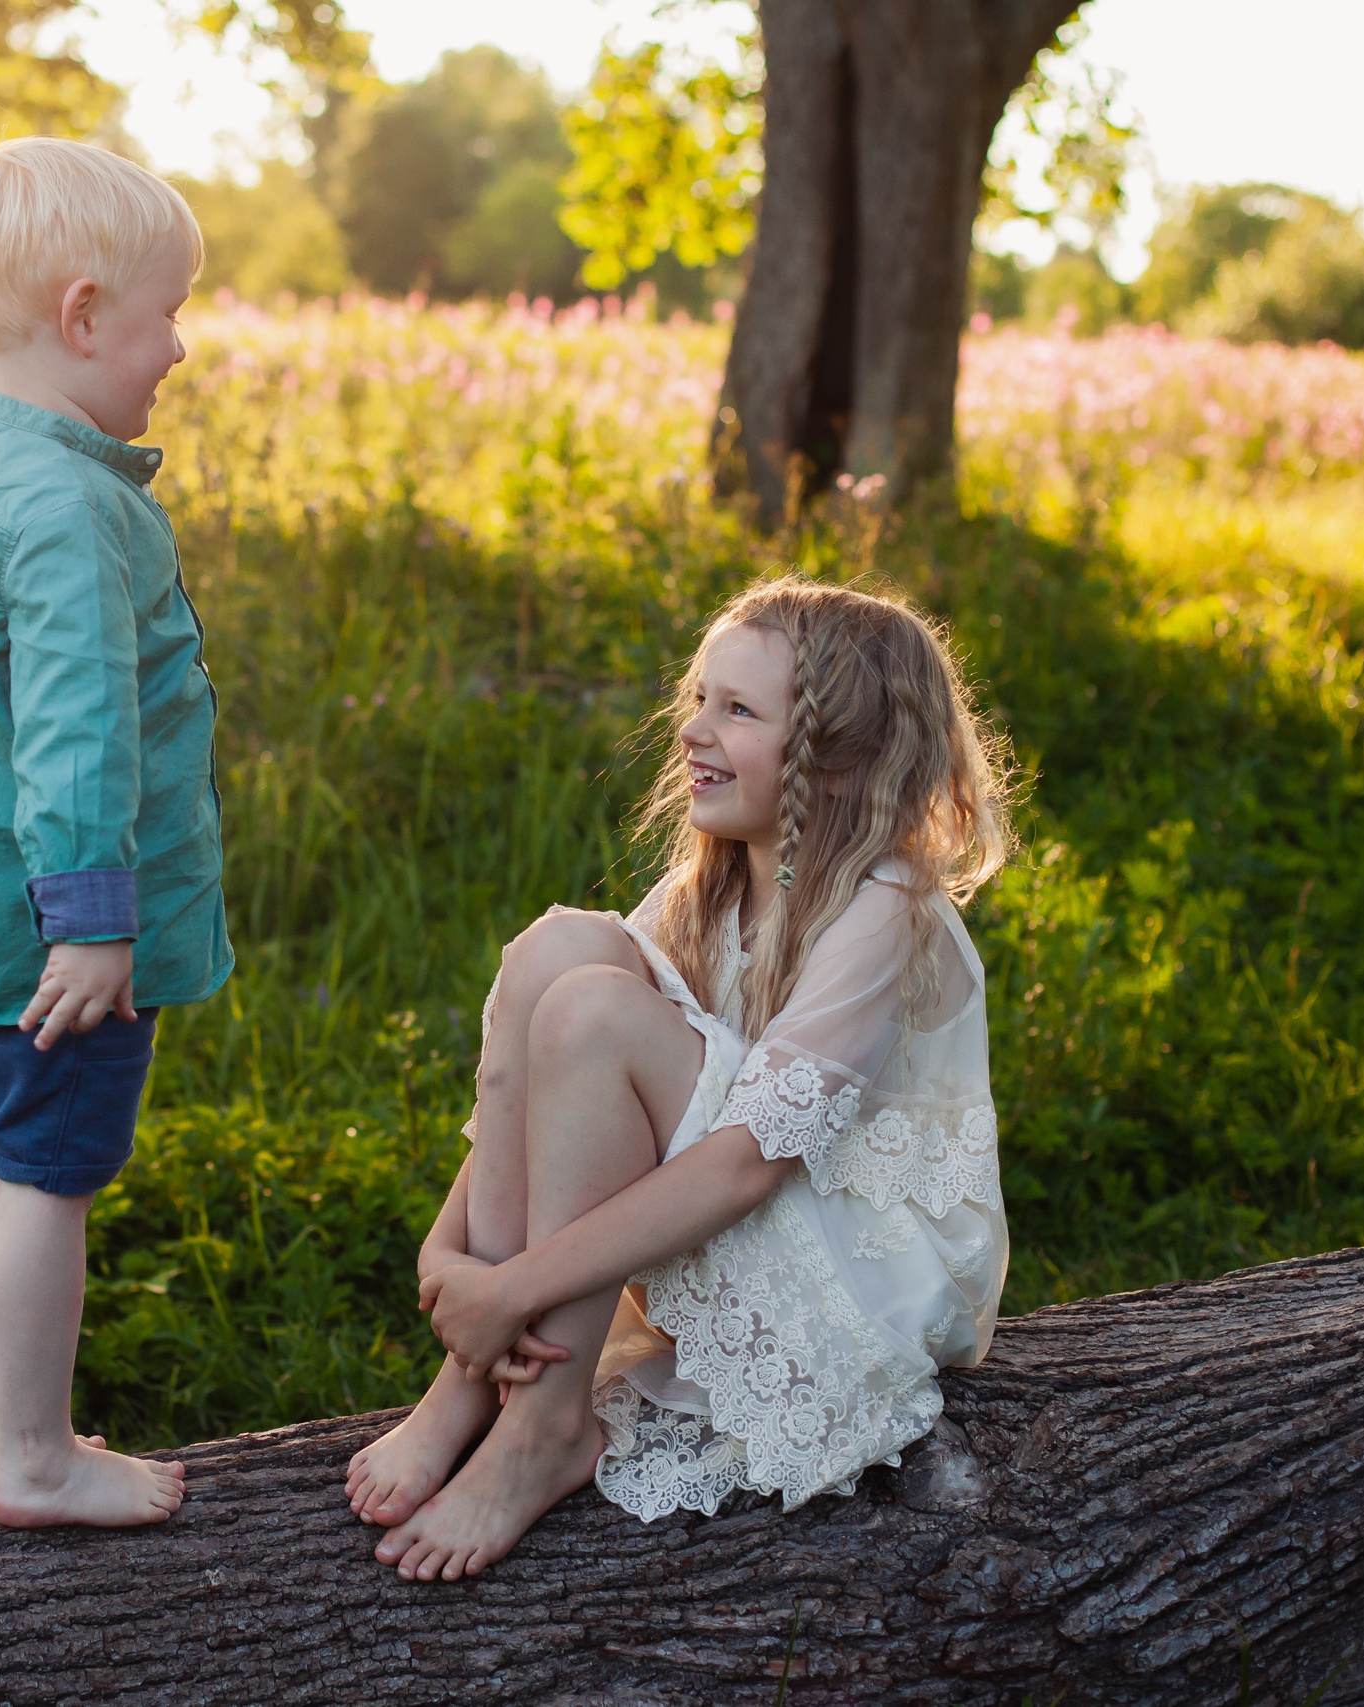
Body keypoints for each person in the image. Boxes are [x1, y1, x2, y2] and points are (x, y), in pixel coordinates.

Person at [344, 577, 1014, 1580]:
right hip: (730, 1202)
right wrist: (452, 1263)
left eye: (737, 711)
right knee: (557, 949)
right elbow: (530, 1096)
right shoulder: (715, 885)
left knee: (594, 1011)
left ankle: (542, 1426)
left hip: (854, 1262)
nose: (694, 730)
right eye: (699, 698)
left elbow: (748, 1166)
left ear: (839, 761)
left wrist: (514, 1283)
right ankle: (470, 1380)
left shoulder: (884, 909)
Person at [0, 137, 228, 1529]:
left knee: (9, 1163)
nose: (180, 347)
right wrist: (91, 919)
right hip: (49, 932)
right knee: (54, 1181)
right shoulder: (74, 508)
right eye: (166, 313)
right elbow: (76, 732)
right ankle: (34, 1453)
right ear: (84, 317)